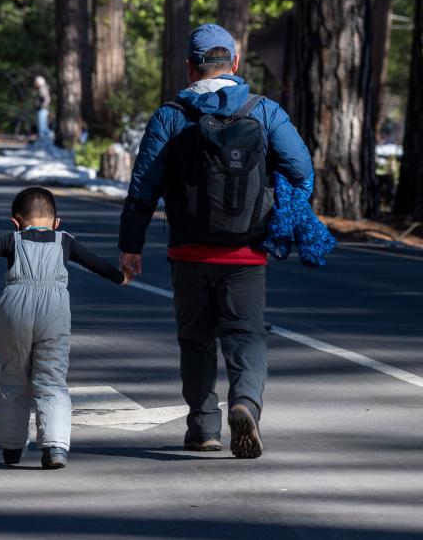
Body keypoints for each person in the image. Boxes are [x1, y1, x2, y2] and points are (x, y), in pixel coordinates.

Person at [117, 23, 313, 459]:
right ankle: (244, 403)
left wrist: (130, 245)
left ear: (190, 67)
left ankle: (204, 427)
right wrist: (279, 211)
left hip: (187, 250)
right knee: (245, 333)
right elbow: (301, 170)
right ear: (236, 64)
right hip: (247, 250)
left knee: (196, 340)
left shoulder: (171, 115)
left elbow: (142, 188)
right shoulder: (264, 111)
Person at [0, 187, 129, 469]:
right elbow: (96, 263)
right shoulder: (65, 241)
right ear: (57, 222)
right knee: (52, 379)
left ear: (16, 222)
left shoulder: (12, 240)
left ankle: (11, 446)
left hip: (14, 308)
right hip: (54, 311)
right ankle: (55, 447)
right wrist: (120, 277)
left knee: (13, 378)